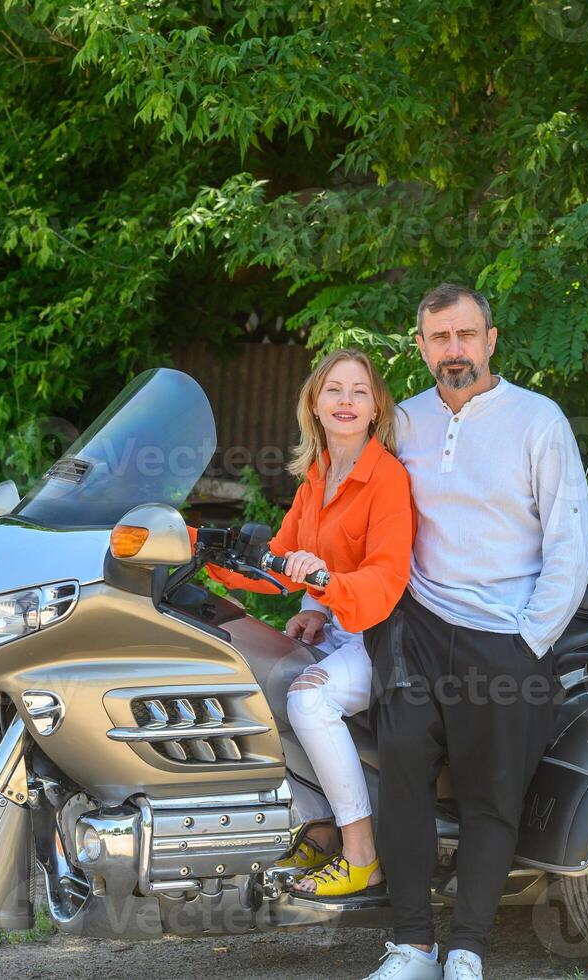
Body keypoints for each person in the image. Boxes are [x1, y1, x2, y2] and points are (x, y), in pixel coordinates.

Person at [360, 284, 588, 980]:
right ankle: (410, 946)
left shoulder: (537, 421)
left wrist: (530, 641)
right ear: (421, 346)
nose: (452, 351)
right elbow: (364, 519)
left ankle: (467, 949)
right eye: (438, 338)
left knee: (492, 792)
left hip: (507, 635)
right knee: (399, 763)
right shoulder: (400, 422)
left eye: (465, 335)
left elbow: (569, 542)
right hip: (420, 626)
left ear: (490, 341)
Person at [204, 347, 414, 898]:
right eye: (334, 391)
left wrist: (323, 588)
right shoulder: (318, 478)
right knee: (261, 680)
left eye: (359, 392)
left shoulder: (387, 479)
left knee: (307, 700)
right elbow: (277, 560)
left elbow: (386, 583)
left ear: (376, 410)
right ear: (314, 405)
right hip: (343, 626)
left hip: (391, 638)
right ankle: (320, 828)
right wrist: (206, 557)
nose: (346, 401)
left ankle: (362, 854)